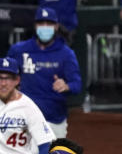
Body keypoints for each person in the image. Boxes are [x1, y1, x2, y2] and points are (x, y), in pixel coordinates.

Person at [8, 7, 82, 141]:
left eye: (49, 24)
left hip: (53, 119)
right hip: (24, 118)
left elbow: (77, 84)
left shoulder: (66, 54)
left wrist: (66, 86)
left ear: (56, 26)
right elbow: (6, 76)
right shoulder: (19, 50)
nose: (45, 27)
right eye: (41, 23)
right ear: (35, 26)